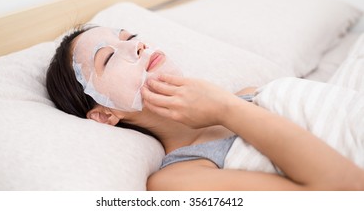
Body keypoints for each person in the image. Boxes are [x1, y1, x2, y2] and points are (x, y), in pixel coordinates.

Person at [46, 25, 364, 190]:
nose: (136, 45)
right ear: (104, 115)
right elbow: (344, 193)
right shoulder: (177, 181)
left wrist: (229, 103)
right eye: (110, 57)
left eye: (131, 37)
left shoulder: (248, 94)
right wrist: (225, 109)